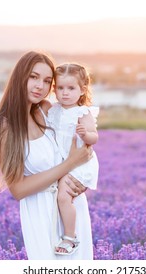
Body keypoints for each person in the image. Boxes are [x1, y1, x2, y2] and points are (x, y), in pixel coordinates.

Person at [0, 51, 94, 260]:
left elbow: (82, 146)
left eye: (47, 81)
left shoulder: (47, 110)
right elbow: (18, 189)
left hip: (71, 206)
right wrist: (69, 164)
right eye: (33, 77)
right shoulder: (3, 125)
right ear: (19, 77)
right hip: (40, 211)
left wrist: (81, 177)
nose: (40, 86)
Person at [48, 63, 99, 255]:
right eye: (60, 88)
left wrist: (85, 134)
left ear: (82, 90)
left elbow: (94, 138)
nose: (65, 93)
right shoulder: (54, 110)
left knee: (63, 196)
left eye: (71, 88)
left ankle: (70, 237)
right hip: (64, 163)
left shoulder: (82, 112)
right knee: (59, 197)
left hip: (80, 164)